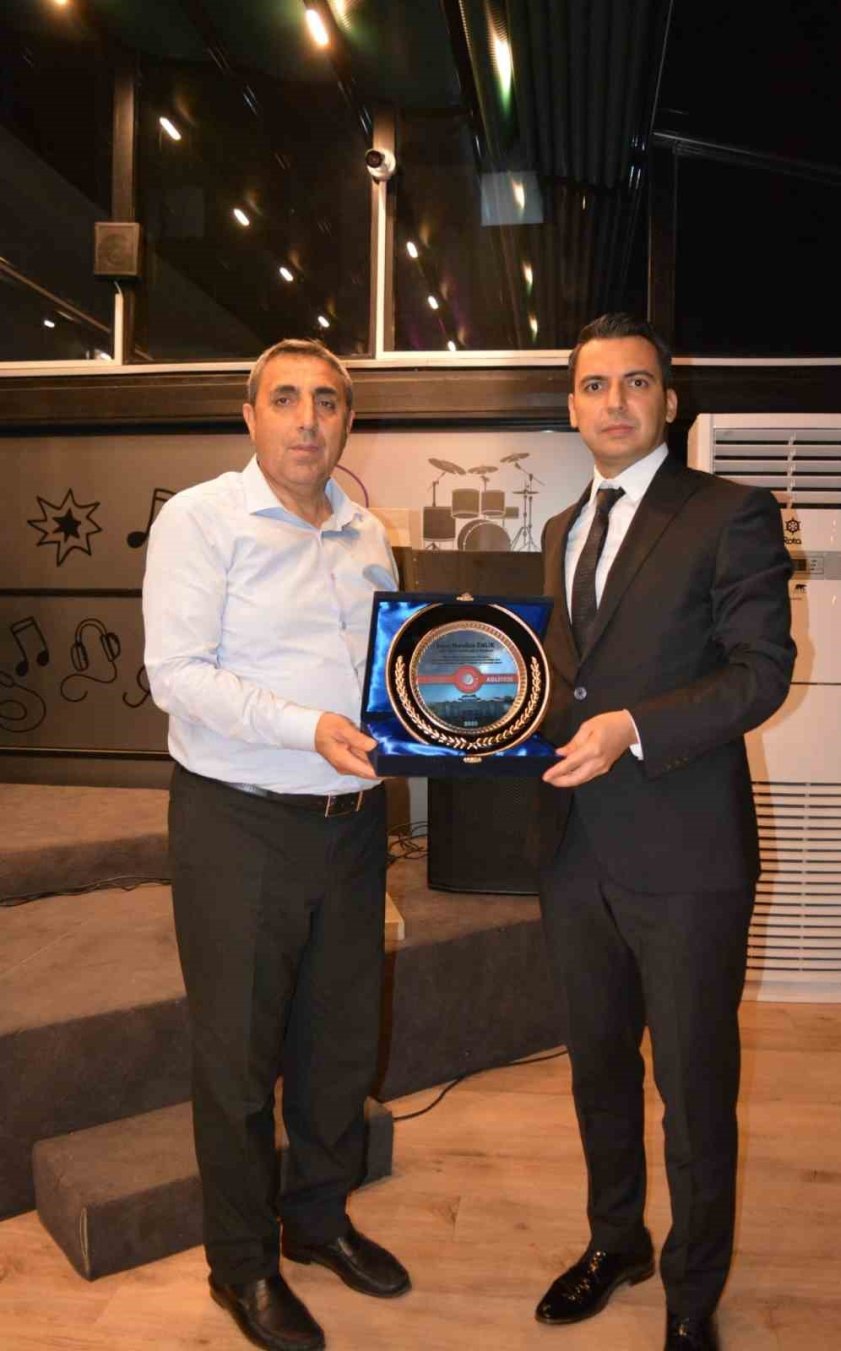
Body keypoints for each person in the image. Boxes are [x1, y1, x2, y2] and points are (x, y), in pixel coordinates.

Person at [534, 314, 795, 1350]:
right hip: (573, 850)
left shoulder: (730, 511)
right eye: (596, 385)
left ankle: (693, 1288)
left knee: (693, 1084)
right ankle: (617, 1241)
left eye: (636, 383)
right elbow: (566, 678)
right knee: (597, 1068)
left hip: (688, 852)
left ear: (669, 402)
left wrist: (632, 727)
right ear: (571, 406)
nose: (615, 401)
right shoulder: (560, 529)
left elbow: (759, 673)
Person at [143, 338, 409, 1351]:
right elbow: (178, 674)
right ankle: (242, 1264)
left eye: (328, 401)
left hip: (352, 825)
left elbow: (383, 675)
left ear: (348, 420)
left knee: (339, 1047)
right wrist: (309, 728)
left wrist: (433, 726)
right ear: (249, 415)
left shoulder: (367, 532)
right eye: (286, 399)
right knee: (240, 1061)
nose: (308, 419)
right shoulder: (200, 520)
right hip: (239, 822)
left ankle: (318, 1220)